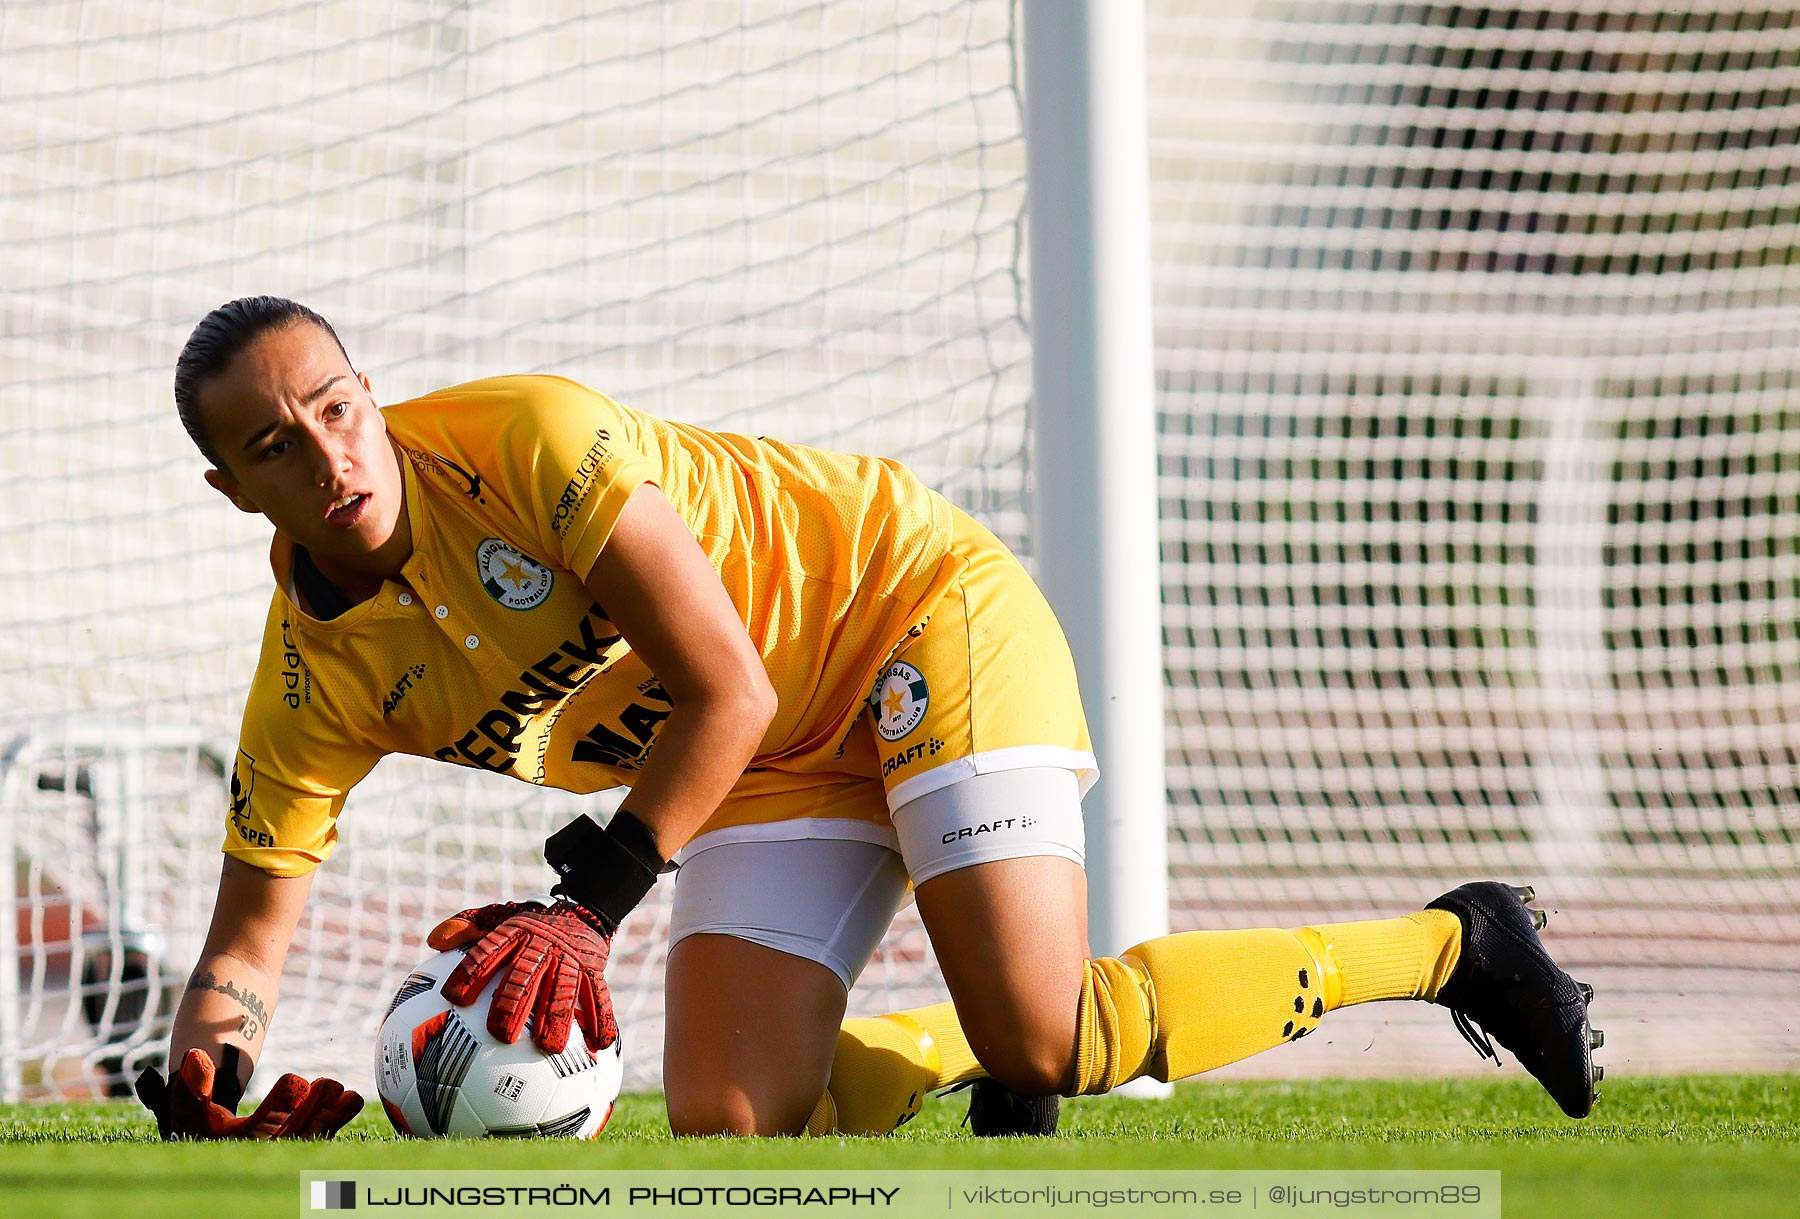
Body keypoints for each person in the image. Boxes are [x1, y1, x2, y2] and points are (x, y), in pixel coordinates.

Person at [136, 296, 1603, 1142]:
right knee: (728, 1131)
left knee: (1049, 1038)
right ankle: (953, 1043)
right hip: (764, 768)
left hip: (913, 613)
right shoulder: (309, 684)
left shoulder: (526, 440)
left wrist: (581, 911)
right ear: (233, 490)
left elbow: (727, 683)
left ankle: (1455, 942)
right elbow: (246, 951)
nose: (329, 453)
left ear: (369, 391)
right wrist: (215, 1076)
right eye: (277, 443)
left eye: (336, 407)